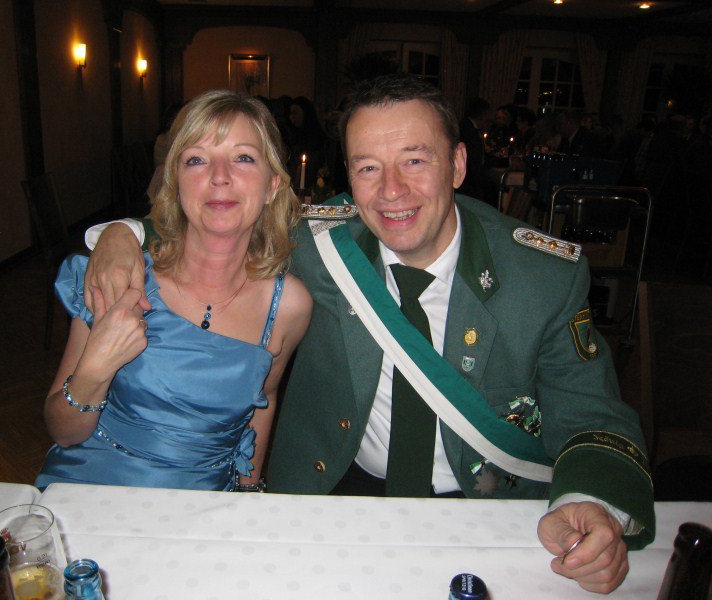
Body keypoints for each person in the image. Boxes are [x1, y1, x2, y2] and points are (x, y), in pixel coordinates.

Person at [82, 74, 654, 594]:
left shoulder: (541, 278)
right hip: (335, 494)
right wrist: (123, 233)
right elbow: (216, 215)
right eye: (367, 168)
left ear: (457, 164)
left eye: (414, 160)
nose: (391, 192)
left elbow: (593, 414)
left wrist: (594, 505)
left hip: (486, 507)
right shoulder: (319, 246)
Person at [35, 90, 312, 491]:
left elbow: (262, 407)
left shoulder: (288, 305)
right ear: (176, 184)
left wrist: (250, 494)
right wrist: (96, 368)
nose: (220, 176)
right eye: (196, 159)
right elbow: (63, 432)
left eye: (243, 158)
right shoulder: (123, 278)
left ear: (272, 186)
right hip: (92, 493)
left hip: (206, 506)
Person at [456, 97, 494, 205]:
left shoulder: (469, 127)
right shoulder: (467, 129)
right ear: (482, 114)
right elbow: (473, 159)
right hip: (468, 182)